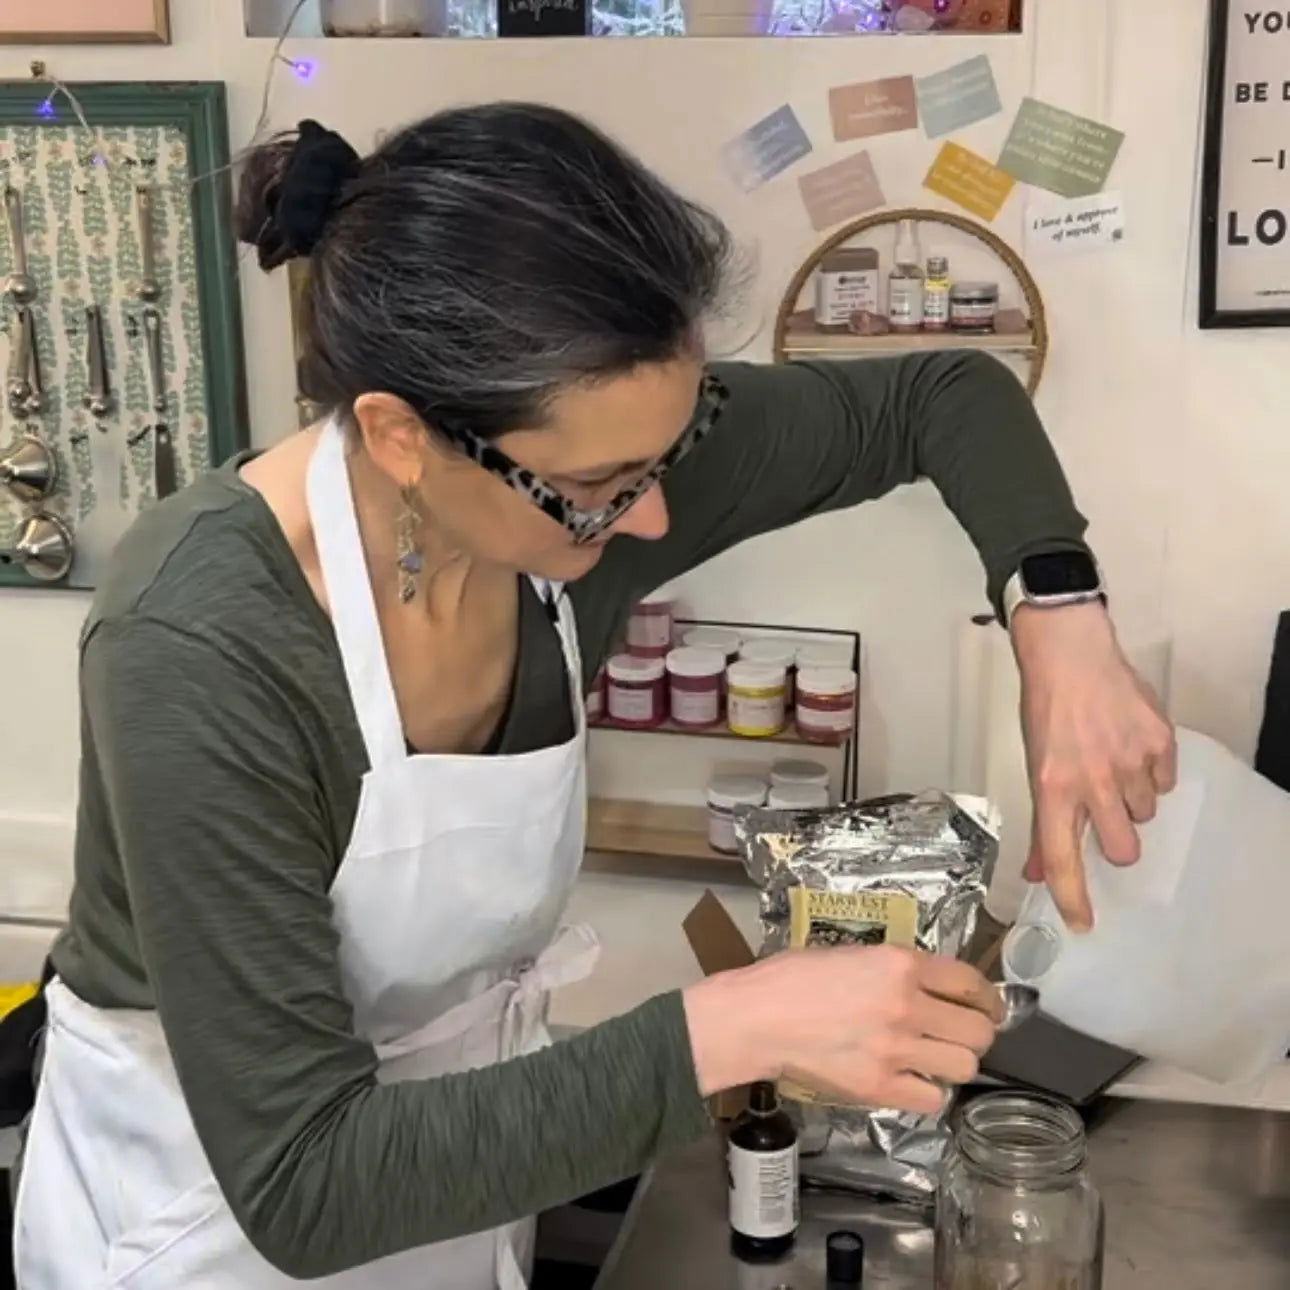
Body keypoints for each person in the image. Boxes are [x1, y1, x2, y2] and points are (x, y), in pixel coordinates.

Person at [13, 104, 1174, 1288]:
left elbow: (948, 394)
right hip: (198, 1225)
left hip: (458, 1191)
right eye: (600, 484)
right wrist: (744, 1028)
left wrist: (1060, 620)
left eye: (661, 461)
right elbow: (305, 1183)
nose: (656, 519)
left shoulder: (595, 483)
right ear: (402, 436)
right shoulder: (200, 638)